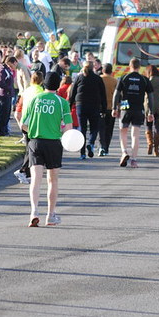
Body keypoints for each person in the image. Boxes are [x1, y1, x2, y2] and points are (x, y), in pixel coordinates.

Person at [20, 71, 72, 227]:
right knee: (52, 181)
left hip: (35, 142)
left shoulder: (35, 99)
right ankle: (50, 215)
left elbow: (23, 124)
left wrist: (34, 131)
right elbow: (68, 128)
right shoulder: (62, 102)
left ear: (44, 84)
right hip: (53, 143)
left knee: (35, 180)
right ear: (58, 85)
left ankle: (34, 212)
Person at [112, 58, 155, 168]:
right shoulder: (144, 79)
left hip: (125, 105)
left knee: (123, 131)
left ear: (129, 66)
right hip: (138, 107)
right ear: (139, 67)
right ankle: (134, 160)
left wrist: (114, 108)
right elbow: (151, 97)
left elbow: (116, 94)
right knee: (135, 134)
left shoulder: (124, 77)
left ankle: (124, 151)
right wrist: (150, 112)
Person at [68, 57, 106, 158]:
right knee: (94, 128)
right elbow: (103, 94)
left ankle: (82, 153)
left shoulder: (79, 78)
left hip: (81, 105)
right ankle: (91, 143)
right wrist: (104, 109)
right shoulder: (98, 78)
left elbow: (73, 93)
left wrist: (69, 105)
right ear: (93, 67)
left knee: (82, 129)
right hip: (94, 105)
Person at [145, 64, 159, 155]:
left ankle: (150, 144)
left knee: (148, 125)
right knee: (158, 127)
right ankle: (156, 149)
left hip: (149, 106)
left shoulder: (148, 81)